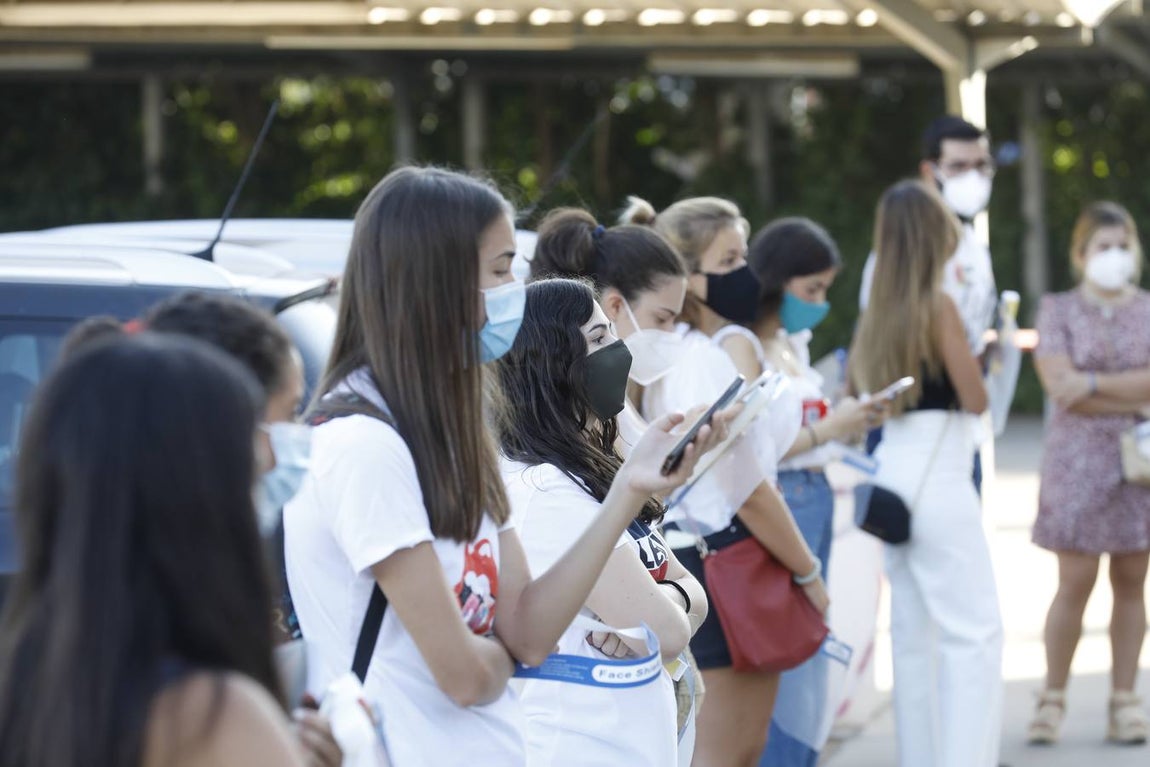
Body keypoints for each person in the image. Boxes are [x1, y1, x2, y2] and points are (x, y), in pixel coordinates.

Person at [283, 167, 714, 766]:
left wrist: (628, 490)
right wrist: (508, 653)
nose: (516, 286)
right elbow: (465, 675)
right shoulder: (366, 447)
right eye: (500, 267)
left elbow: (530, 630)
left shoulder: (453, 438)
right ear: (434, 281)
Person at [0, 334, 307, 767]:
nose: (274, 467)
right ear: (201, 498)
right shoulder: (215, 714)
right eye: (251, 473)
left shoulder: (29, 683)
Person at [624, 195, 829, 767]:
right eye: (730, 258)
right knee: (732, 752)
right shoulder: (703, 359)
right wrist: (808, 572)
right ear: (689, 277)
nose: (746, 273)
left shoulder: (678, 354)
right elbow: (750, 491)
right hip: (725, 558)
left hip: (696, 558)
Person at [495, 277, 707, 766]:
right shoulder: (547, 491)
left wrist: (673, 600)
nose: (616, 350)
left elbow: (683, 587)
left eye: (611, 332)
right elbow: (669, 633)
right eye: (596, 339)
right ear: (552, 364)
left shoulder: (587, 470)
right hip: (582, 745)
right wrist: (673, 605)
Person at [848, 179, 1002, 767]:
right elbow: (976, 398)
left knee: (913, 640)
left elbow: (860, 394)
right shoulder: (938, 304)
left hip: (893, 470)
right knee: (974, 636)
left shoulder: (876, 312)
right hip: (939, 475)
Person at [734, 217, 887, 766]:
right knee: (786, 645)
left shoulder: (788, 343)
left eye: (825, 289)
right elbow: (751, 450)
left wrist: (845, 418)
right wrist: (832, 428)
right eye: (811, 289)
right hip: (789, 495)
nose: (819, 303)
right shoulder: (743, 344)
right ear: (777, 280)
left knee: (806, 645)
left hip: (813, 491)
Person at [1029, 201, 1150, 745]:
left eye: (1123, 244)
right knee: (1074, 582)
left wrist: (1094, 386)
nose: (1115, 256)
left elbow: (1080, 388)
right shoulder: (1056, 309)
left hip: (1140, 467)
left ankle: (1124, 700)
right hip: (1075, 466)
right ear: (1081, 254)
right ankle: (1052, 697)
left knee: (1131, 583)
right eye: (1104, 246)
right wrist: (1133, 393)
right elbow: (1059, 386)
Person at [859, 116, 998, 486]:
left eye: (982, 165)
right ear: (930, 170)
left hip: (956, 429)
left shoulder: (973, 242)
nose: (973, 176)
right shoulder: (898, 263)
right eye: (959, 166)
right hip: (924, 422)